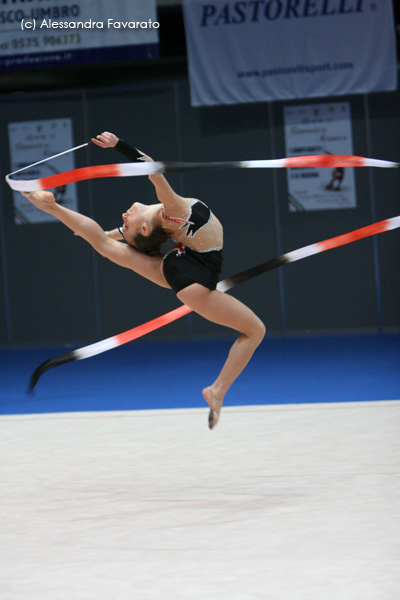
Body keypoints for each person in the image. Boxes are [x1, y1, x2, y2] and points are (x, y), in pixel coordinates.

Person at [22, 131, 265, 429]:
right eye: (126, 222)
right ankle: (217, 391)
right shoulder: (172, 211)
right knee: (254, 331)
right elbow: (150, 168)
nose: (124, 215)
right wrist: (118, 146)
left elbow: (109, 237)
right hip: (193, 274)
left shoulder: (158, 224)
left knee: (105, 244)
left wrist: (71, 216)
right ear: (146, 231)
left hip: (182, 268)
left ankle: (52, 207)